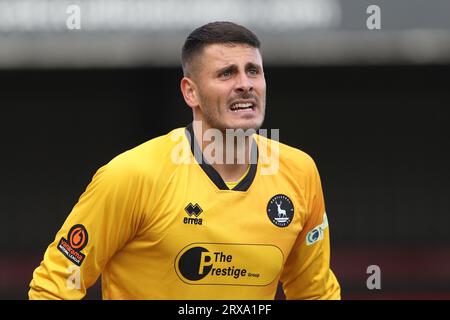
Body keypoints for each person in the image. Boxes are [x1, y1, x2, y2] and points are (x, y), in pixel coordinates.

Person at [29, 21, 340, 300]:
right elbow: (53, 286)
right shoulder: (132, 175)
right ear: (190, 92)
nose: (245, 83)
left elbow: (314, 292)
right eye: (226, 73)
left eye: (253, 71)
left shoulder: (299, 172)